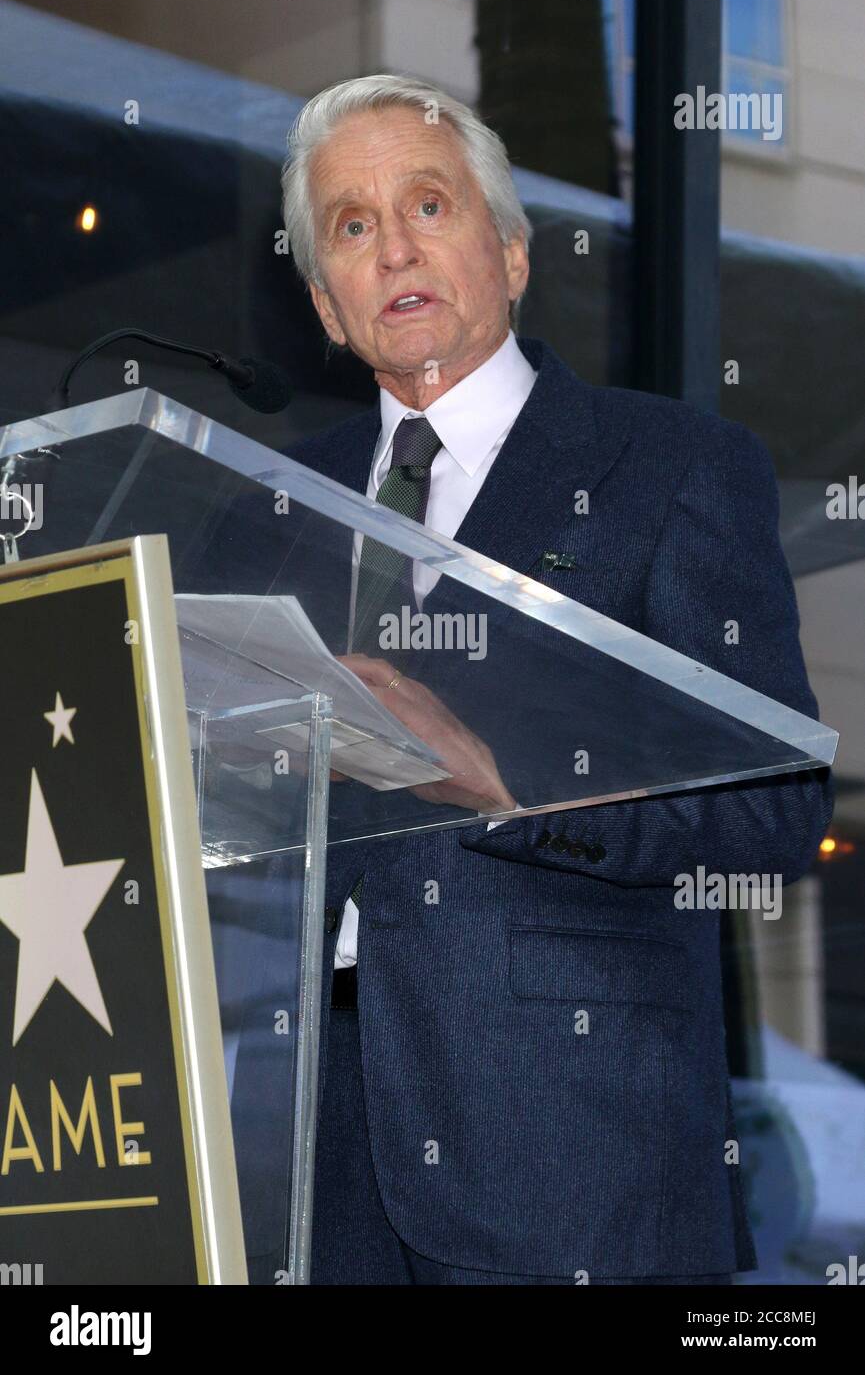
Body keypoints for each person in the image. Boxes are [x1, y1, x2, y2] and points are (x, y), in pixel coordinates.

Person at [277, 73, 833, 1284]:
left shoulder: (670, 467)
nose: (395, 248)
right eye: (354, 226)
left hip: (577, 1173)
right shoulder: (273, 504)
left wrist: (508, 779)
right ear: (325, 303)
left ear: (513, 256)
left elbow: (774, 806)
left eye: (429, 204)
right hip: (315, 1181)